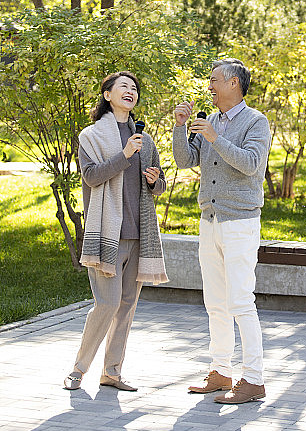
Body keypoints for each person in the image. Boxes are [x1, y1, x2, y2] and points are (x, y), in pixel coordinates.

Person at [173, 58, 271, 405]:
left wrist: (215, 138)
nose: (209, 85)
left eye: (214, 79)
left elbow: (249, 164)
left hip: (240, 223)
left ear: (233, 83)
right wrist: (181, 127)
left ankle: (254, 380)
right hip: (210, 221)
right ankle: (220, 371)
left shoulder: (256, 122)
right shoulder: (209, 120)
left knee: (241, 301)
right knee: (215, 302)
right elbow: (185, 161)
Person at [63, 72, 168, 391]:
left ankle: (112, 372)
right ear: (107, 95)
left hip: (140, 236)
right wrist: (123, 156)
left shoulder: (144, 139)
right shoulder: (91, 136)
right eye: (124, 86)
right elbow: (92, 177)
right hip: (107, 234)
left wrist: (154, 182)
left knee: (126, 306)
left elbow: (159, 184)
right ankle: (79, 369)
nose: (130, 91)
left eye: (134, 88)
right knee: (106, 304)